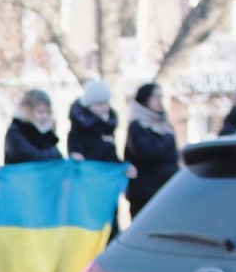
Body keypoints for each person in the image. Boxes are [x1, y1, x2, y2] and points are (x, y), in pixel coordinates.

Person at [2, 90, 61, 272]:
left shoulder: (48, 135)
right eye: (39, 111)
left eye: (47, 111)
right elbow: (33, 158)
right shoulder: (16, 132)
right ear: (28, 110)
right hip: (19, 207)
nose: (44, 116)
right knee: (18, 261)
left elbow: (56, 160)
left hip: (41, 207)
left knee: (39, 259)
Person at [124, 83, 179, 217]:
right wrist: (165, 139)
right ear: (145, 99)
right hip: (145, 193)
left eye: (161, 96)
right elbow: (147, 154)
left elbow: (173, 155)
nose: (159, 101)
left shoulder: (165, 124)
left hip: (167, 190)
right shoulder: (137, 126)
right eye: (155, 97)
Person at [67, 80, 121, 164]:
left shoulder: (107, 126)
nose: (105, 108)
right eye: (99, 104)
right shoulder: (78, 129)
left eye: (106, 103)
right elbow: (78, 159)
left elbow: (112, 157)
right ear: (88, 105)